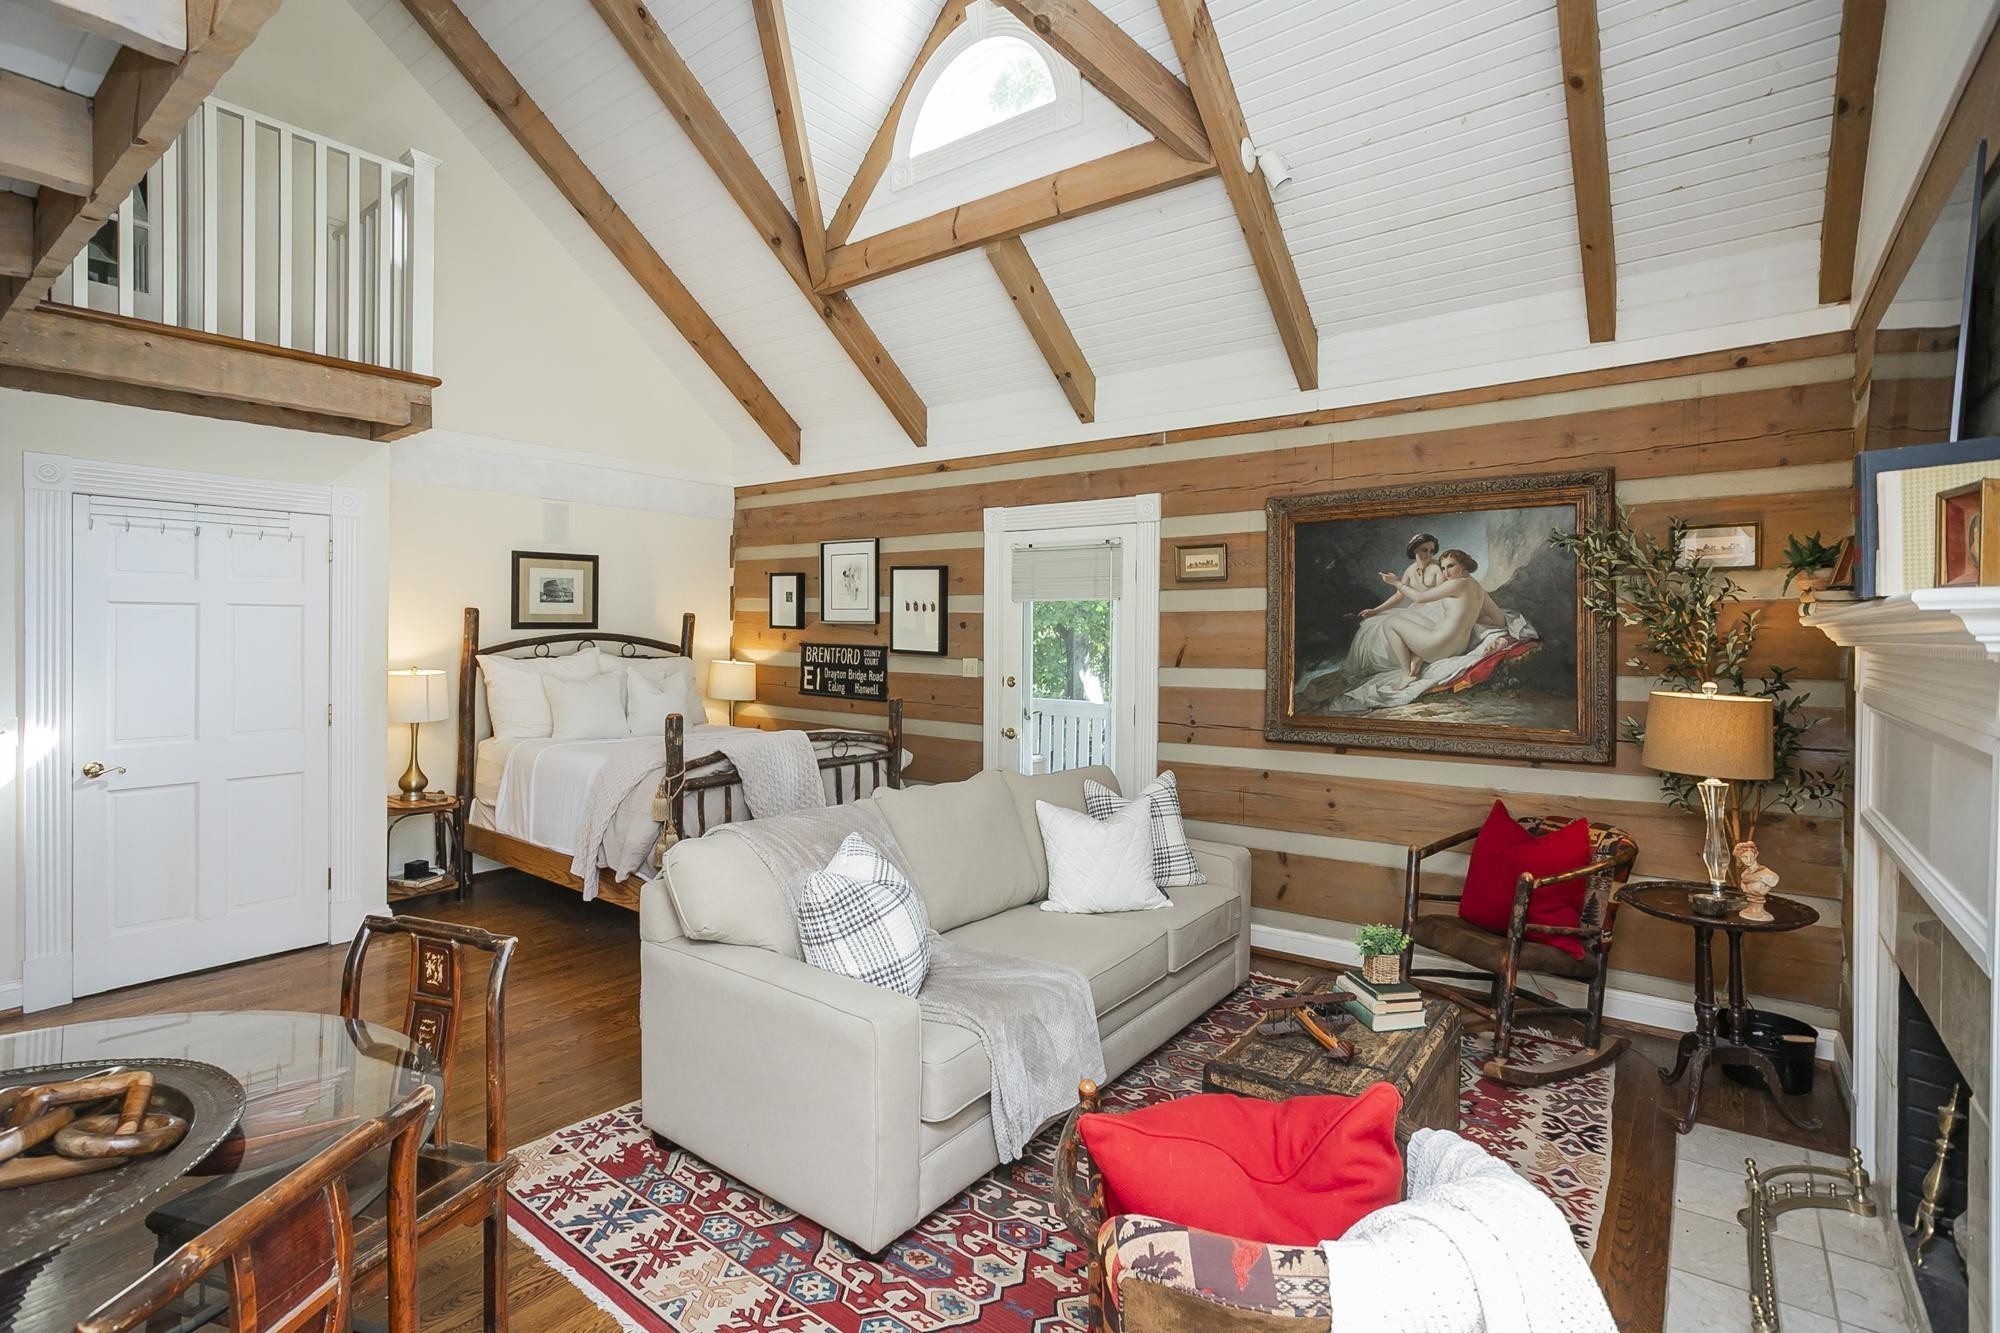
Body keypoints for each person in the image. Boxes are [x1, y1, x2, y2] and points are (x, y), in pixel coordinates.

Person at [1365, 549, 1507, 681]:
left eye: (1450, 566)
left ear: (1463, 565)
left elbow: (1420, 598)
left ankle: (1406, 674)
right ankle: (1418, 659)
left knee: (1390, 623)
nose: (1446, 572)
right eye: (1443, 568)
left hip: (1439, 645)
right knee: (1408, 616)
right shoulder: (1478, 588)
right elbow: (1499, 620)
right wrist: (1471, 618)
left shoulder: (1456, 584)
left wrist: (1396, 583)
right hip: (1459, 648)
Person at [1357, 533, 1443, 620]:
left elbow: (1442, 595)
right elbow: (1399, 596)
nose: (1428, 554)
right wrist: (1376, 610)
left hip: (1437, 611)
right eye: (1424, 550)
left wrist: (1395, 582)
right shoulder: (1410, 570)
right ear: (1414, 549)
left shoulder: (1438, 567)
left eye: (1431, 551)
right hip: (1419, 610)